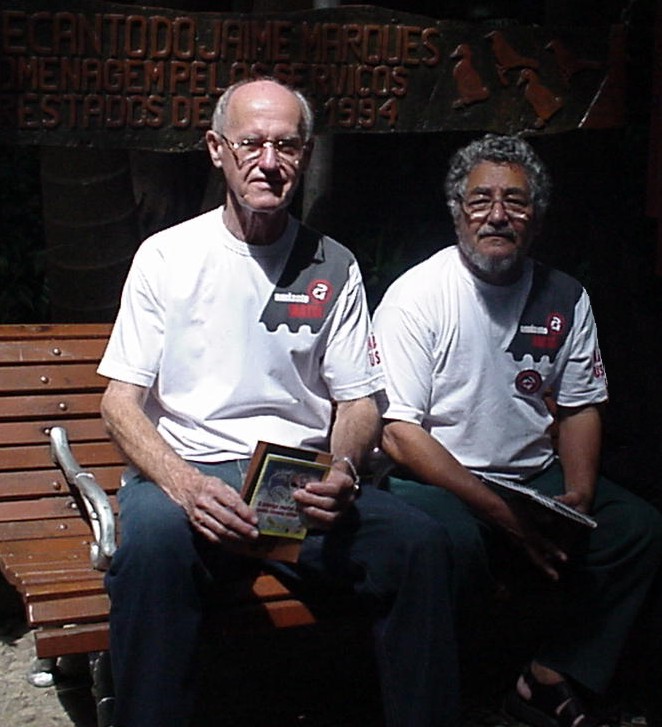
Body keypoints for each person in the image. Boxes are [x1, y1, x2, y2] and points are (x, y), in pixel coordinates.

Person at [97, 78, 459, 727]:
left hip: (293, 481)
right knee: (151, 552)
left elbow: (359, 403)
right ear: (217, 149)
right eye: (251, 143)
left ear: (305, 154)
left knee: (420, 545)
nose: (269, 161)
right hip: (191, 473)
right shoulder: (168, 257)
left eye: (286, 145)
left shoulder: (333, 264)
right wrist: (183, 484)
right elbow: (119, 403)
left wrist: (343, 468)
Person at [373, 134, 662, 727]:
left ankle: (550, 674)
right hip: (435, 478)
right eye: (481, 200)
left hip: (531, 474)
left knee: (635, 527)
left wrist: (578, 494)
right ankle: (451, 696)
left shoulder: (565, 295)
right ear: (457, 212)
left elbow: (580, 406)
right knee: (447, 543)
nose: (498, 216)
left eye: (516, 202)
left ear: (538, 217)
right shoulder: (417, 296)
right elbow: (398, 433)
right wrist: (506, 517)